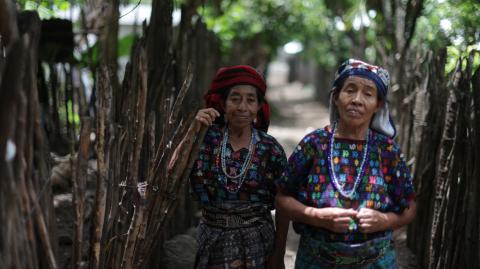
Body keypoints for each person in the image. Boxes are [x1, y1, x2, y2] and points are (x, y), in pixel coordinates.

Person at [275, 59, 416, 268]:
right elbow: (282, 197)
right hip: (316, 261)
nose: (357, 100)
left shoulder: (387, 151)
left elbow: (410, 206)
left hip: (376, 263)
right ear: (336, 97)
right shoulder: (314, 144)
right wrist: (316, 217)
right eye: (350, 90)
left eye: (368, 94)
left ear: (378, 104)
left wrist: (386, 221)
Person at [169, 65, 289, 269]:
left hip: (258, 244)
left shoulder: (271, 149)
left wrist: (279, 253)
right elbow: (171, 174)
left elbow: (283, 203)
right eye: (235, 99)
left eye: (250, 100)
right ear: (223, 104)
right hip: (213, 242)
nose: (242, 107)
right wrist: (192, 131)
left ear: (259, 106)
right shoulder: (204, 140)